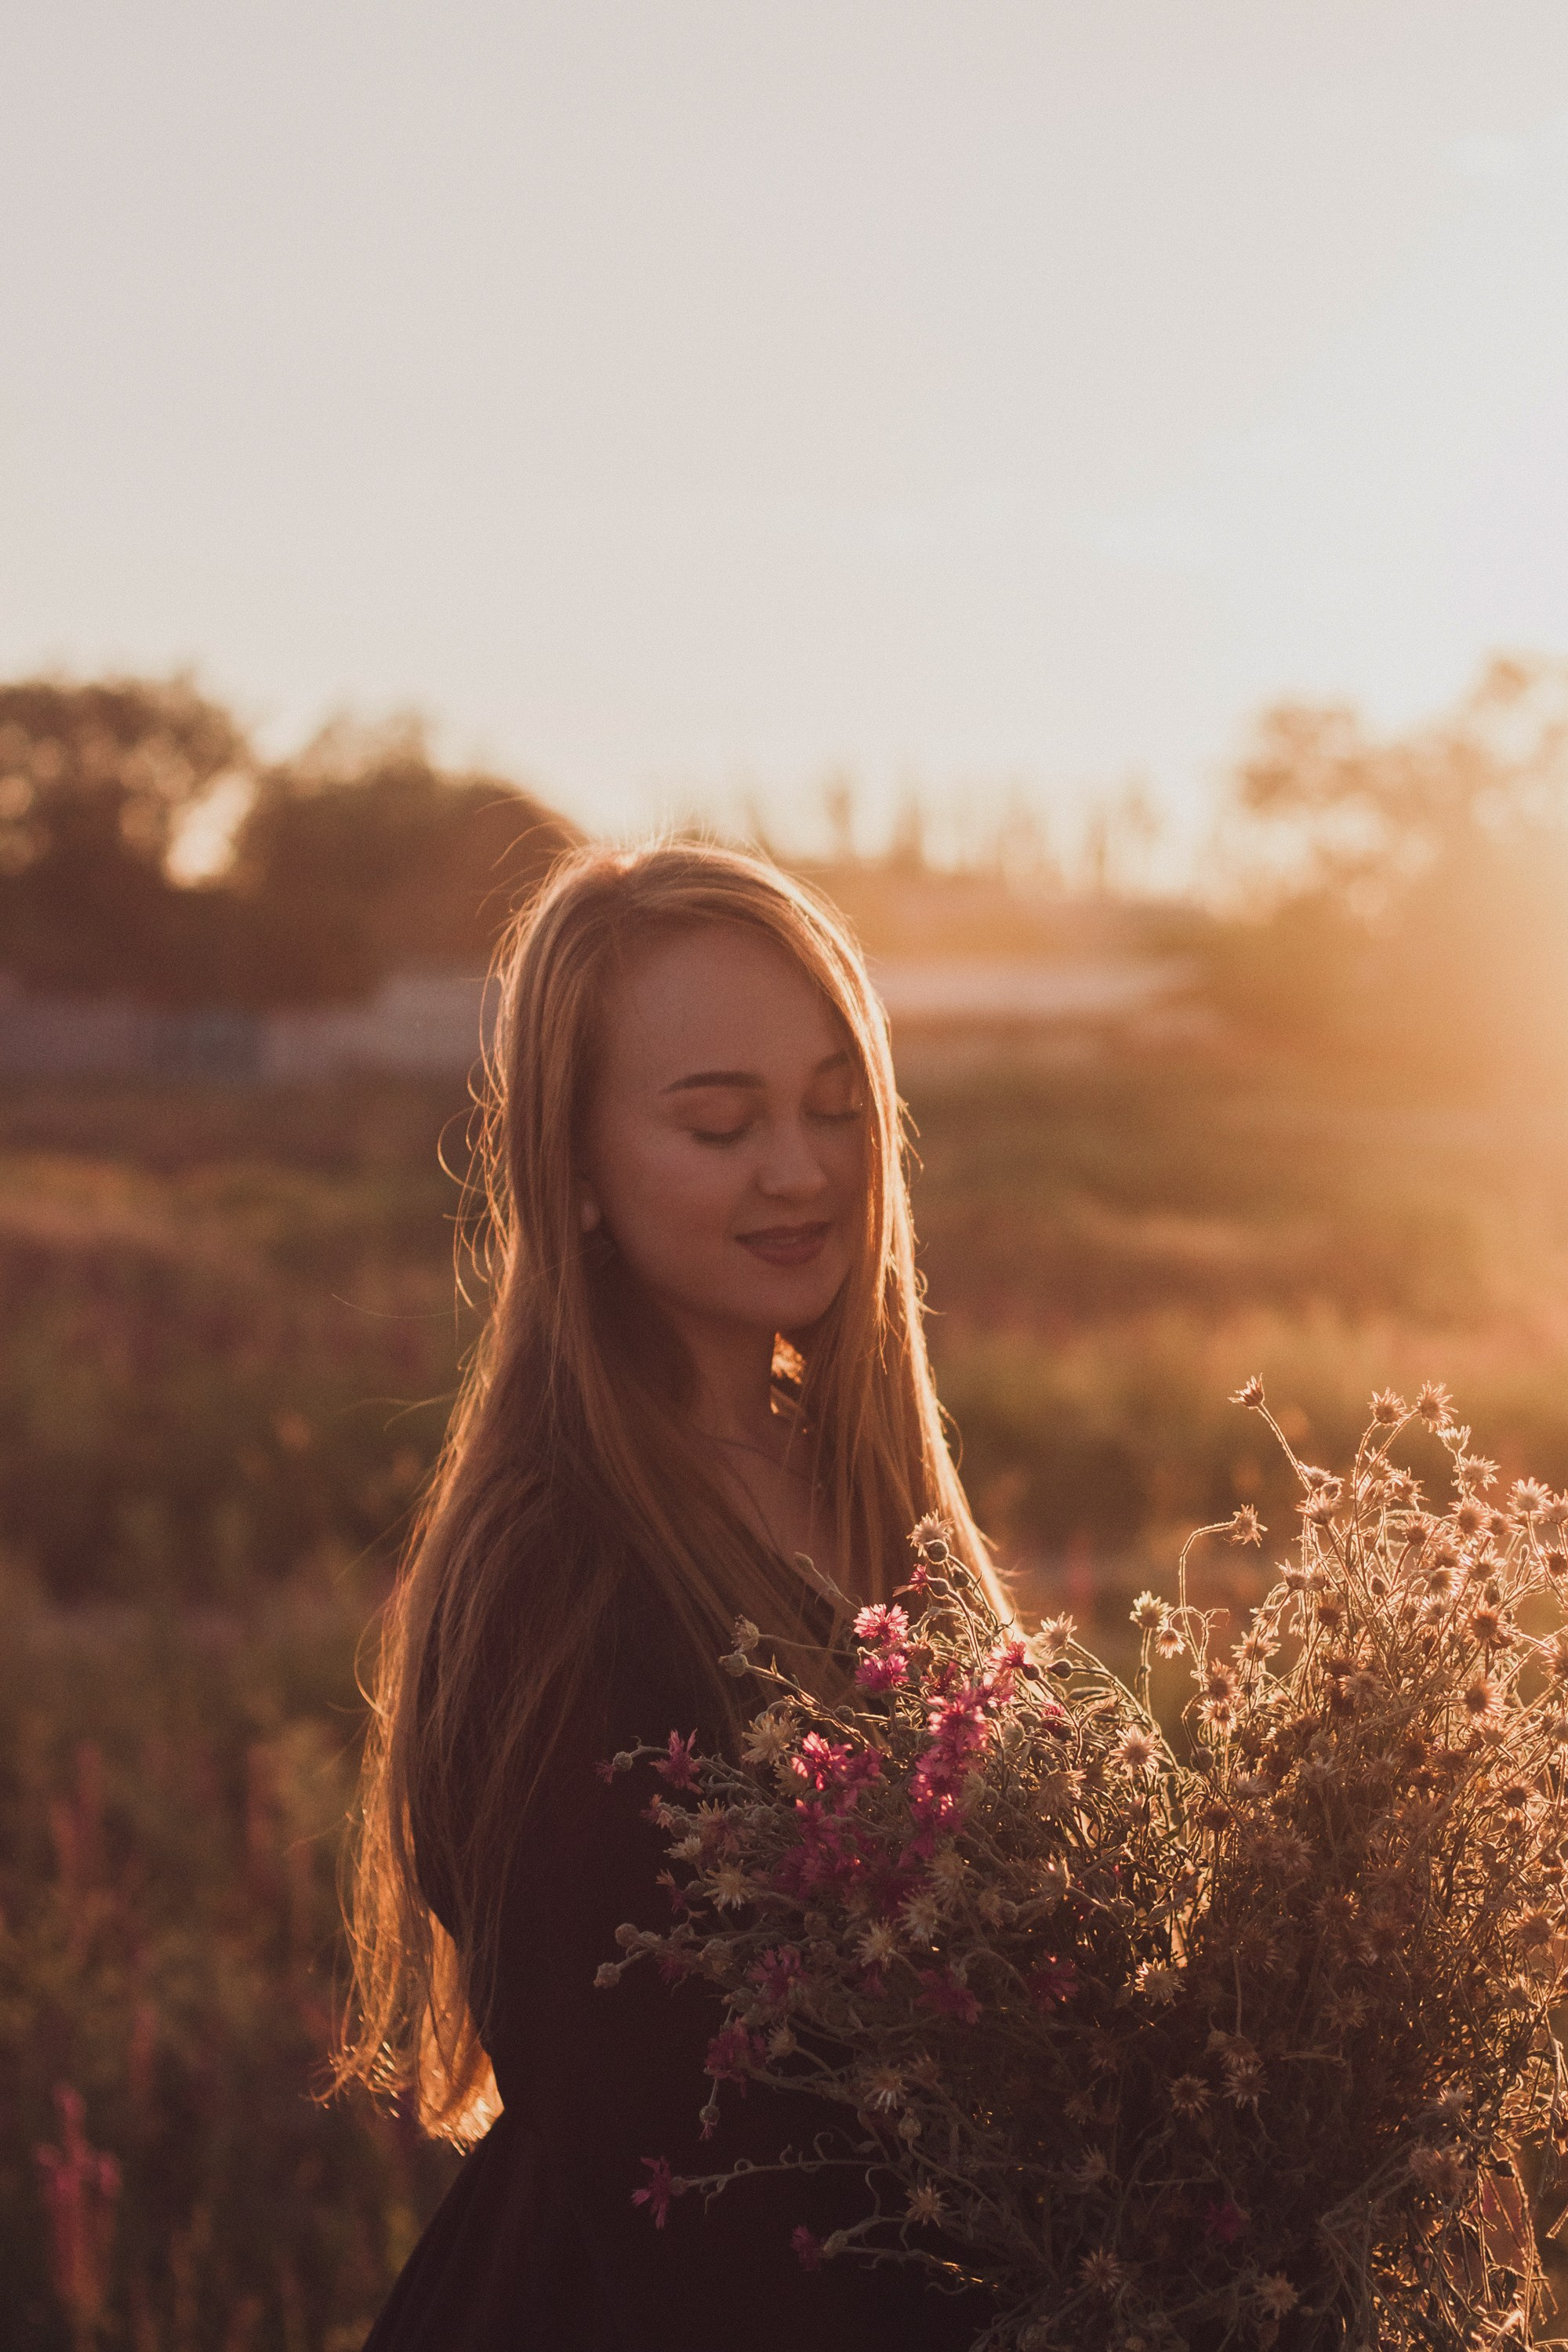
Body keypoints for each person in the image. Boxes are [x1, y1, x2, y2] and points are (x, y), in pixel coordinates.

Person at [337, 841, 1011, 2350]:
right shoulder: (546, 1587)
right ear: (573, 1174)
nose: (803, 1168)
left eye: (837, 1107)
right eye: (720, 1124)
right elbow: (707, 2212)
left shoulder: (873, 1490)